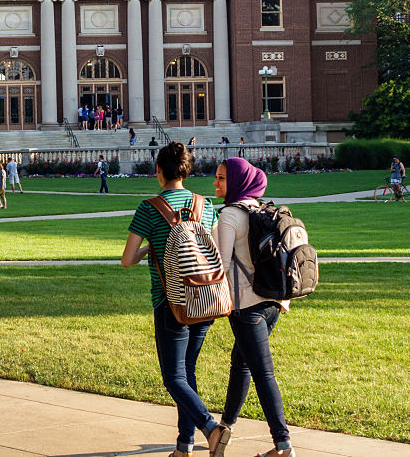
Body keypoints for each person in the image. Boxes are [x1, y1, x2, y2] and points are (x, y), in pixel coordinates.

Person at [121, 142, 229, 457]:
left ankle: (212, 429)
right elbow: (217, 248)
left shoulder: (149, 208)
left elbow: (128, 259)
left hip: (170, 302)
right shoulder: (204, 204)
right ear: (185, 171)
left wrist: (149, 248)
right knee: (187, 371)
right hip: (207, 298)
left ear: (158, 172)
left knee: (173, 377)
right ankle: (184, 446)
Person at [212, 158, 294, 457]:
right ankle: (225, 427)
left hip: (247, 307)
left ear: (235, 182)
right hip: (274, 302)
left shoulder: (231, 215)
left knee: (263, 373)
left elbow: (218, 266)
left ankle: (283, 445)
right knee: (241, 362)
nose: (215, 183)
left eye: (221, 178)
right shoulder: (261, 208)